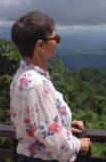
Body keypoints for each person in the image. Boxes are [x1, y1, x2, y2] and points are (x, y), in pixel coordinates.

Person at [10, 11, 91, 162]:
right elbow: (58, 146)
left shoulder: (21, 76)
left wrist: (64, 125)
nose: (57, 42)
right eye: (56, 38)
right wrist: (78, 144)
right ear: (40, 45)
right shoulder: (37, 84)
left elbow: (34, 123)